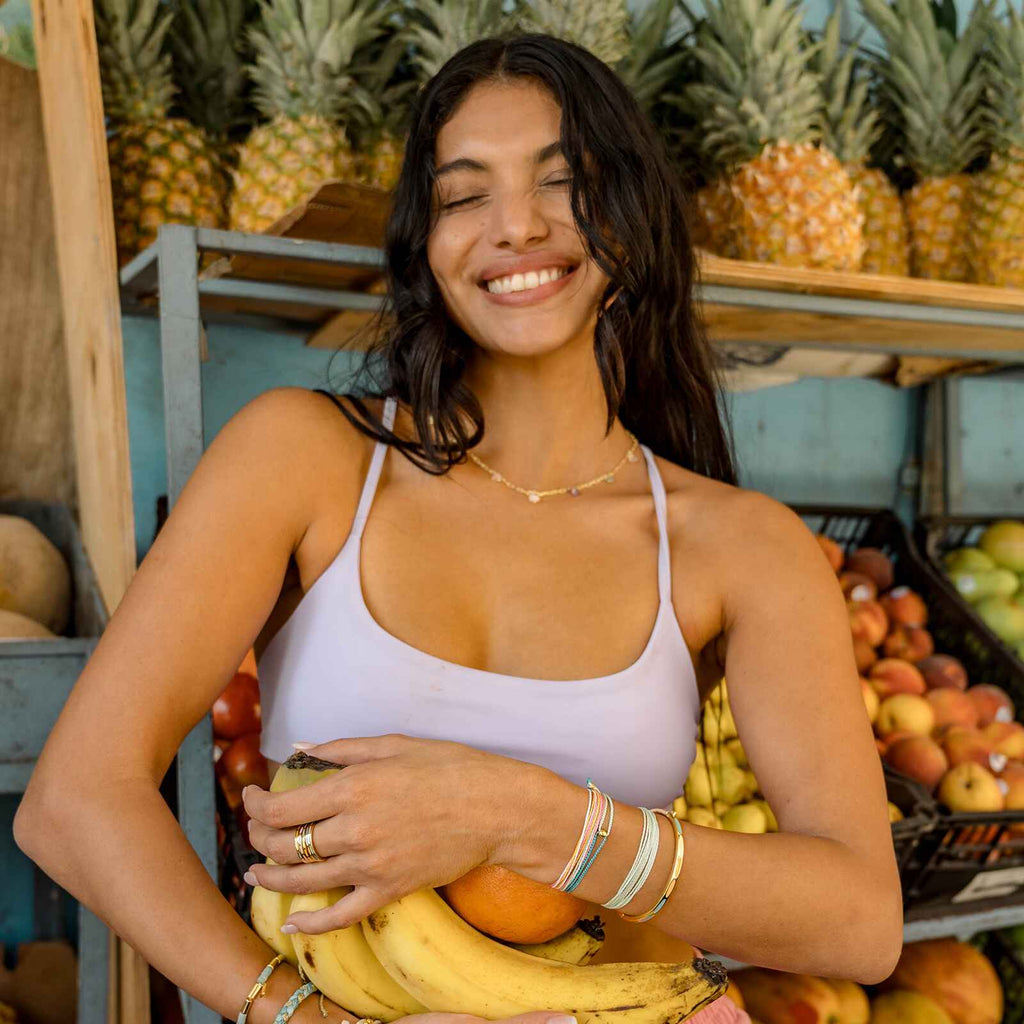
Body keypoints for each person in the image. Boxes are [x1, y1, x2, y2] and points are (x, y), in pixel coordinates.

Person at [14, 31, 903, 1024]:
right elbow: (76, 800)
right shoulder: (305, 458)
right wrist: (294, 1016)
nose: (515, 226)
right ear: (424, 246)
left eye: (562, 181)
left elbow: (860, 924)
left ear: (632, 216)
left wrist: (528, 816)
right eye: (464, 195)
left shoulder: (742, 545)